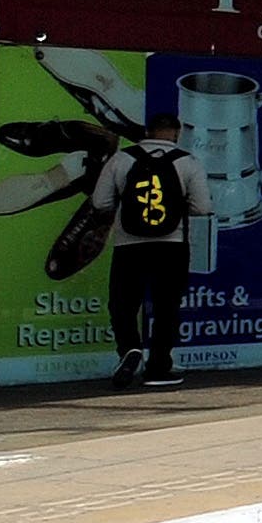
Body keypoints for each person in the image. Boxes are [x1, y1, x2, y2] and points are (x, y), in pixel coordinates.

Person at [91, 100, 207, 390]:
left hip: (128, 244)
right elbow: (202, 207)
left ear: (147, 132)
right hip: (171, 245)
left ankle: (129, 350)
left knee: (123, 302)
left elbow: (100, 202)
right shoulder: (187, 161)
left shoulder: (121, 159)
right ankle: (158, 367)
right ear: (176, 133)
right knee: (167, 305)